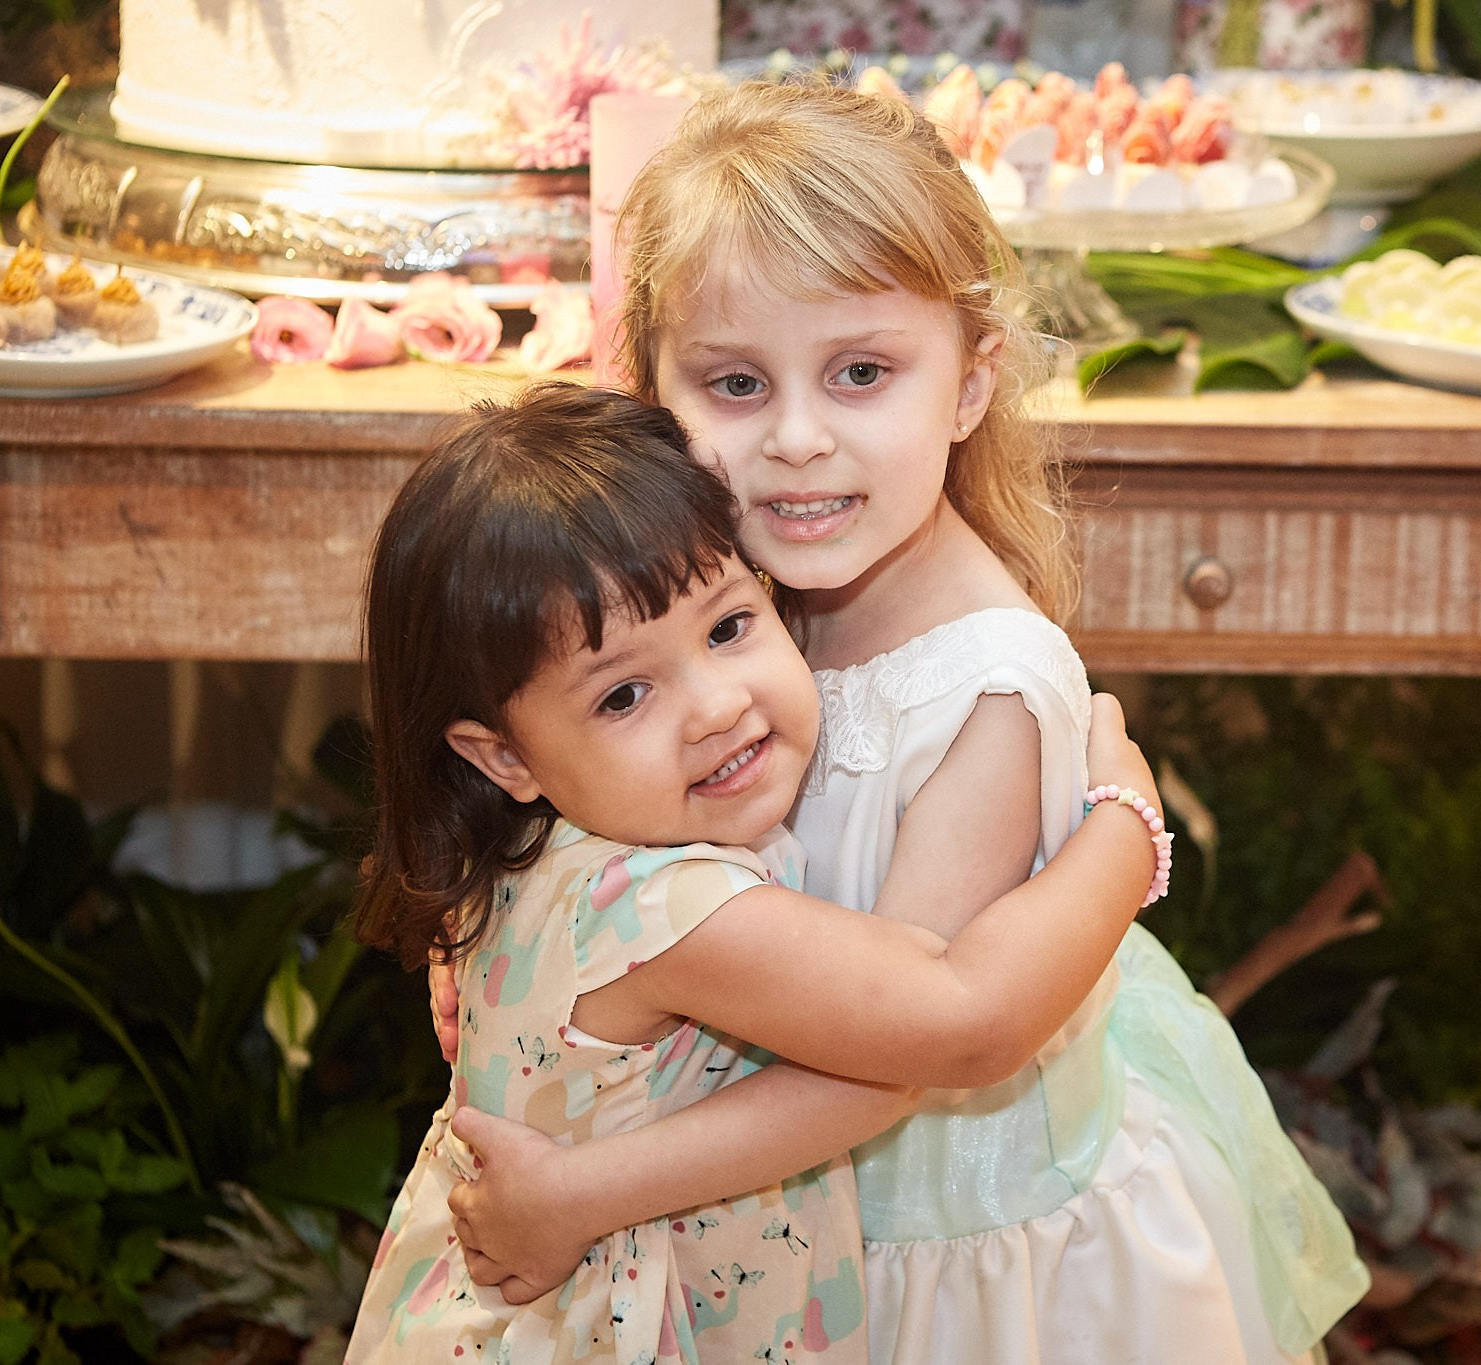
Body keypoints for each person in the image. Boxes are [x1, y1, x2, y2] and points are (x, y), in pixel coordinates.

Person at [435, 81, 1370, 1364]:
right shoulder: (718, 605)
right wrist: (495, 966)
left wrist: (1123, 828)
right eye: (735, 384)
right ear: (645, 386)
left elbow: (913, 1049)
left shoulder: (985, 689)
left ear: (971, 381)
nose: (799, 441)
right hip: (759, 1219)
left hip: (937, 1255)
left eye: (862, 372)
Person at [345, 385, 1170, 1363]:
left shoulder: (526, 851)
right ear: (503, 758)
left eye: (728, 627)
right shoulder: (672, 909)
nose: (713, 706)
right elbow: (960, 1022)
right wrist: (1125, 826)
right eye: (622, 695)